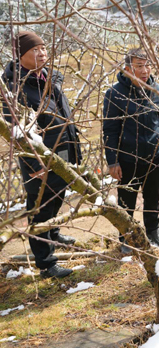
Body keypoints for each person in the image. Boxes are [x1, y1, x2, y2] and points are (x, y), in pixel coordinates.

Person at [2, 31, 81, 278]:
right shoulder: (14, 89)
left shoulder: (47, 77)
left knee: (59, 195)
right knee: (40, 206)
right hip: (39, 157)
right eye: (34, 50)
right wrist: (33, 163)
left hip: (63, 147)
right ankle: (46, 263)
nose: (42, 54)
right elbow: (17, 133)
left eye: (43, 48)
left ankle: (54, 234)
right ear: (20, 55)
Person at [103, 48, 159, 252]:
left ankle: (153, 230)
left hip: (155, 157)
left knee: (153, 198)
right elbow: (110, 130)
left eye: (147, 65)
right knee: (127, 201)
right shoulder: (115, 94)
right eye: (139, 66)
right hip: (128, 159)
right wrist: (112, 161)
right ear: (127, 69)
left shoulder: (156, 90)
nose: (145, 70)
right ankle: (127, 237)